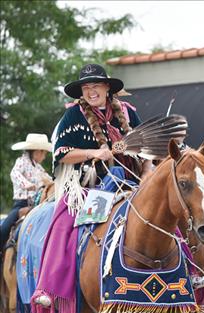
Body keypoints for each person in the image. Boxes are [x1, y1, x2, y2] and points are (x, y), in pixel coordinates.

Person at [31, 63, 152, 312]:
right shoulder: (73, 116)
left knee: (163, 209)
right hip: (88, 187)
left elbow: (145, 144)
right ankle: (51, 289)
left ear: (107, 88)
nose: (91, 91)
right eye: (86, 87)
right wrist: (93, 152)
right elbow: (62, 153)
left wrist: (149, 169)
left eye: (96, 85)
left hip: (130, 183)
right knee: (63, 220)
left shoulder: (127, 113)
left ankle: (188, 274)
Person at [0, 133, 52, 249]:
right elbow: (14, 173)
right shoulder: (21, 161)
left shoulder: (38, 168)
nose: (44, 157)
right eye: (44, 153)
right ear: (38, 151)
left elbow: (49, 180)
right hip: (21, 203)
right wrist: (27, 184)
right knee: (5, 228)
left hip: (36, 204)